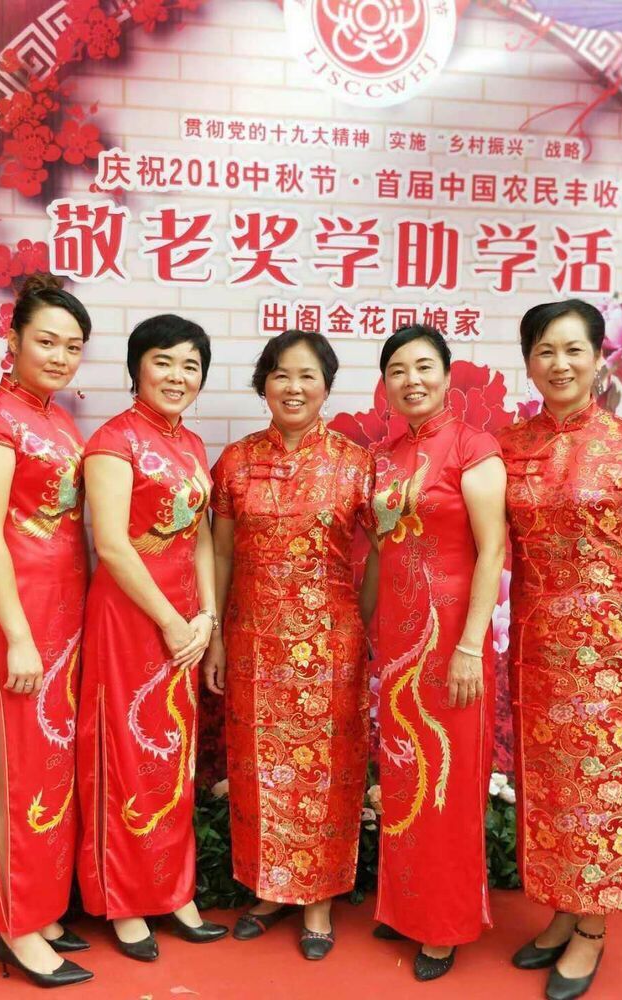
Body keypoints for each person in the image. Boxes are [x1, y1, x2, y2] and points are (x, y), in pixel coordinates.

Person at [499, 299, 622, 1000]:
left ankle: (592, 930)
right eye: (545, 351)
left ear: (600, 359)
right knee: (552, 788)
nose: (559, 364)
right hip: (536, 644)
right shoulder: (510, 445)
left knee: (601, 787)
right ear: (529, 362)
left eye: (573, 350)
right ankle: (566, 910)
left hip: (610, 647)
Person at [203, 329, 374, 960]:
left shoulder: (356, 464)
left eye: (307, 376)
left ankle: (319, 900)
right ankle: (269, 890)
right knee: (259, 770)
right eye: (280, 374)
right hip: (252, 642)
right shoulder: (236, 462)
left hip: (330, 646)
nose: (293, 387)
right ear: (263, 384)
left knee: (324, 771)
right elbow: (221, 554)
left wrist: (362, 623)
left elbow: (384, 553)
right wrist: (216, 636)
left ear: (327, 386)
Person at [76, 314, 227, 961]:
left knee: (173, 756)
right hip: (130, 619)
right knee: (126, 752)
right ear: (137, 366)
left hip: (184, 625)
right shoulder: (113, 441)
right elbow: (111, 544)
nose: (177, 375)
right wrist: (169, 619)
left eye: (191, 365)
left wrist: (207, 618)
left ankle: (174, 890)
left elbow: (200, 538)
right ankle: (125, 899)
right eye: (163, 360)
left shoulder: (190, 444)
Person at [0, 275, 93, 987]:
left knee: (50, 769)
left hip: (64, 617)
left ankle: (40, 910)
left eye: (73, 346)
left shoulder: (60, 422)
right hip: (17, 618)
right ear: (12, 341)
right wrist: (15, 634)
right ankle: (14, 928)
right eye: (46, 341)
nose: (60, 356)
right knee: (14, 770)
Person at [366, 325, 506, 982]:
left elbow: (492, 549)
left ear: (448, 375)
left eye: (424, 366)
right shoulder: (387, 455)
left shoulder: (475, 448)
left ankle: (444, 926)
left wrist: (471, 645)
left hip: (453, 639)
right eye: (398, 369)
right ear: (385, 384)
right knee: (405, 775)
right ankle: (406, 906)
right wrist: (365, 624)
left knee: (446, 779)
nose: (411, 380)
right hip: (399, 641)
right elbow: (381, 550)